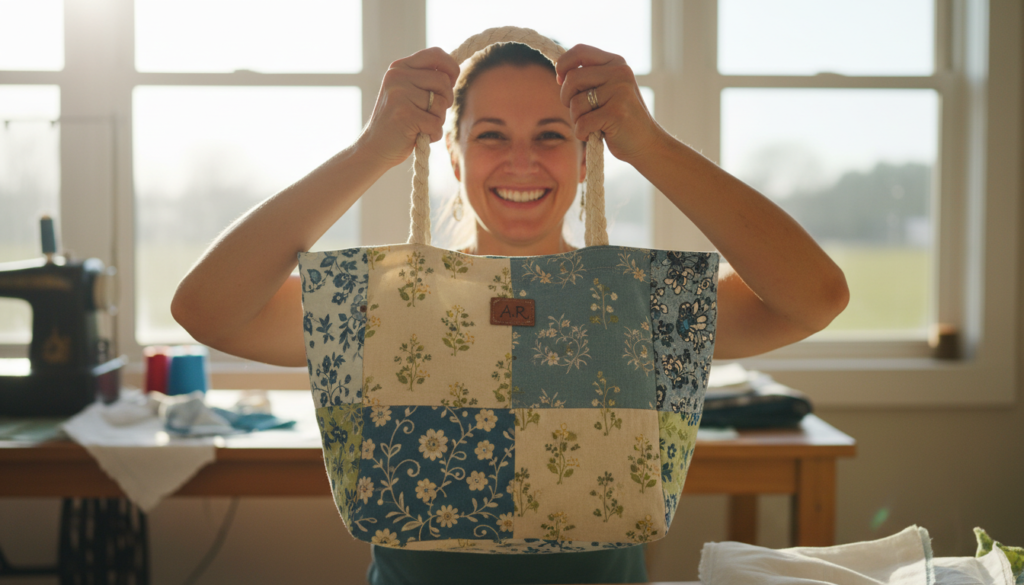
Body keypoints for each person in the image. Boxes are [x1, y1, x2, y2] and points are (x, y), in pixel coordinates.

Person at [172, 40, 848, 585]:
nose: (521, 160)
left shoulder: (640, 306)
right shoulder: (385, 305)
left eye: (552, 135)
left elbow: (815, 296)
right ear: (455, 154)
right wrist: (372, 148)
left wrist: (647, 143)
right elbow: (207, 309)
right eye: (491, 134)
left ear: (587, 156)